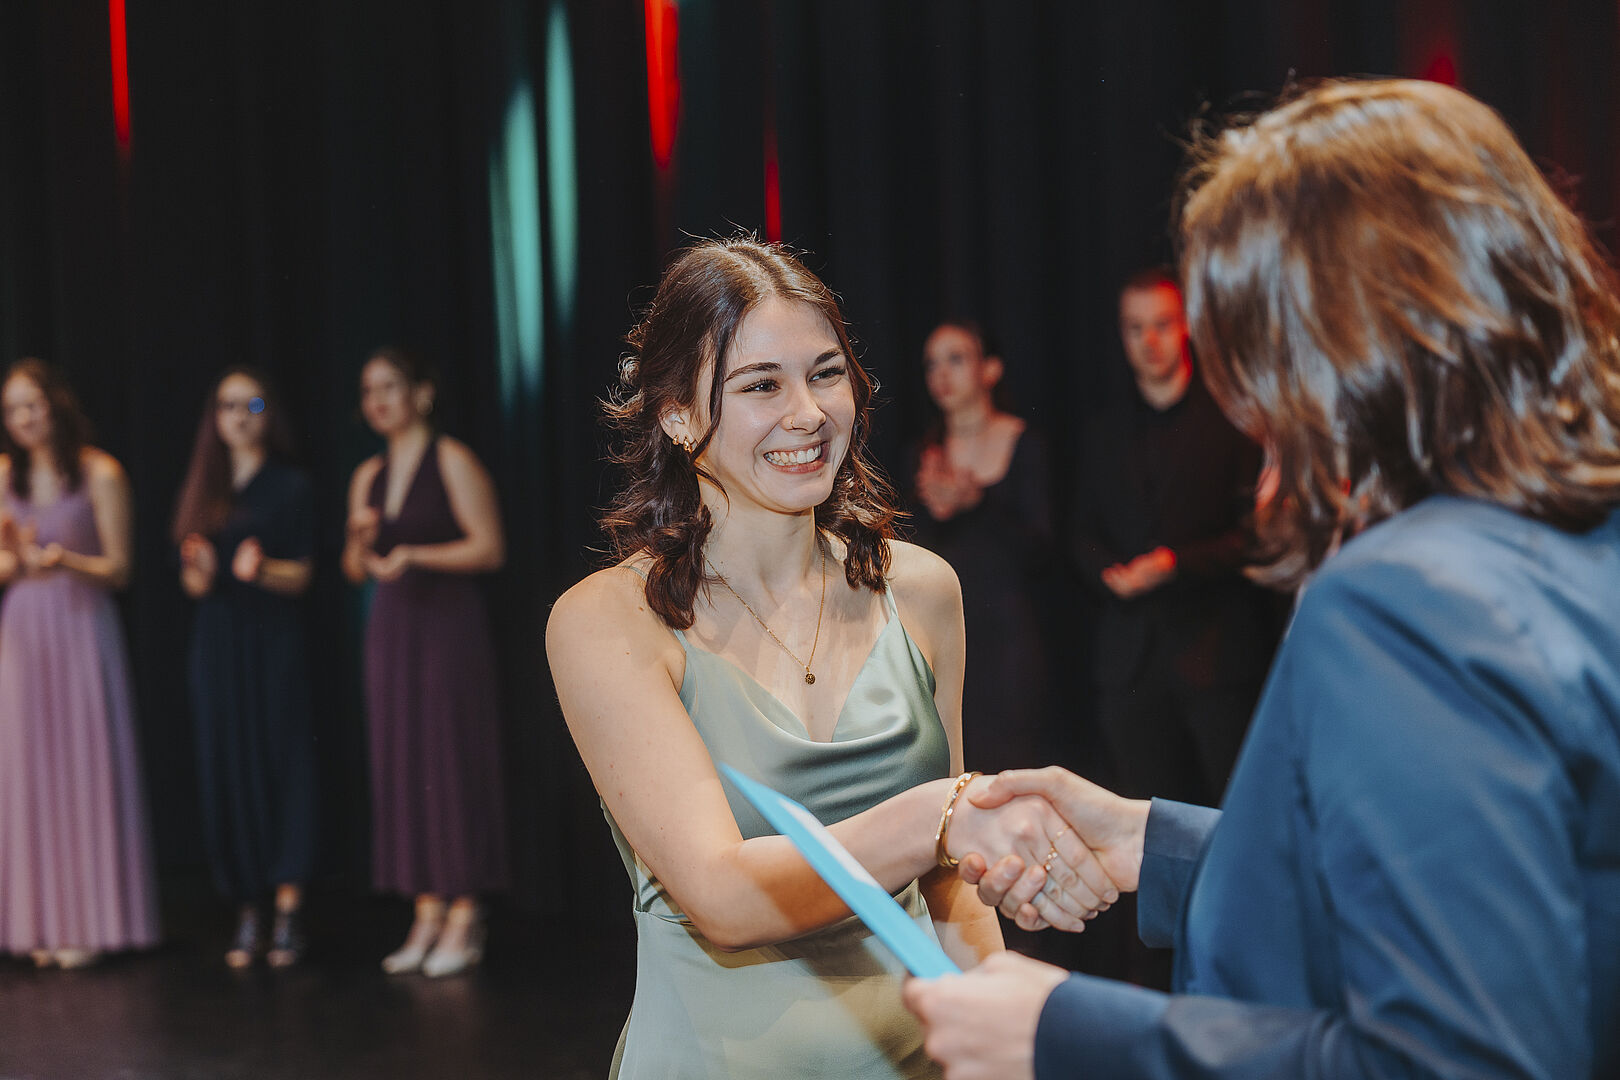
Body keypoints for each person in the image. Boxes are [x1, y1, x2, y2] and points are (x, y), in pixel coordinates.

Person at [902, 78, 1620, 1080]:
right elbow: (1504, 889)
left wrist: (1063, 1033)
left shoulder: (1408, 602)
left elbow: (1457, 1060)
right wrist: (1153, 844)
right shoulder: (1572, 530)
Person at [547, 238, 1116, 1078]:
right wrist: (943, 814)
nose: (809, 414)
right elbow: (724, 897)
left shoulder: (922, 590)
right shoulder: (606, 621)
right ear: (675, 415)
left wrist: (1003, 1047)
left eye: (826, 374)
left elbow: (951, 885)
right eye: (761, 385)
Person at [1072, 268, 1275, 810]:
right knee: (1146, 822)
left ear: (1186, 326)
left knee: (1234, 813)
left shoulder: (1232, 421)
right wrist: (1108, 572)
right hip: (1130, 663)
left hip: (1216, 655)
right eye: (1135, 327)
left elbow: (1256, 537)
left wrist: (1175, 563)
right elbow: (1081, 533)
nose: (1150, 340)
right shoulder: (1104, 431)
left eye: (1161, 324)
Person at [342, 347, 508, 977]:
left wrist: (416, 555)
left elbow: (489, 548)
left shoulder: (452, 459)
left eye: (390, 387)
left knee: (450, 759)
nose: (378, 401)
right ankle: (426, 909)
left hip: (447, 627)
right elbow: (353, 569)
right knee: (403, 764)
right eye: (369, 391)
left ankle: (465, 911)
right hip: (391, 629)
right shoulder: (367, 474)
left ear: (422, 393)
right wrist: (362, 543)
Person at [0, 358, 159, 969]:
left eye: (32, 404)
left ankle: (91, 921)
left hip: (81, 624)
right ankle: (38, 922)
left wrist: (65, 560)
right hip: (24, 629)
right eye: (13, 409)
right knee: (29, 771)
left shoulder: (99, 472)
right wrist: (16, 556)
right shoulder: (5, 478)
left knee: (82, 765)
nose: (23, 418)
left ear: (55, 404)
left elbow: (120, 568)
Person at [174, 368, 316, 968]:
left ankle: (288, 907)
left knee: (282, 760)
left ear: (268, 413)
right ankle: (247, 907)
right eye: (227, 405)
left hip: (272, 640)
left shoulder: (289, 485)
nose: (238, 416)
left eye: (251, 404)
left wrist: (263, 571)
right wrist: (203, 573)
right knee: (226, 766)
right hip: (218, 645)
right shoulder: (203, 488)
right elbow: (192, 584)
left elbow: (303, 575)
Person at [909, 321, 1063, 776]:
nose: (941, 374)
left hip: (1008, 638)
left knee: (1009, 767)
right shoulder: (923, 454)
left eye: (956, 359)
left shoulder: (1024, 443)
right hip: (943, 636)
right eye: (931, 364)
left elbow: (1042, 550)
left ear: (990, 369)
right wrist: (934, 512)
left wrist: (977, 503)